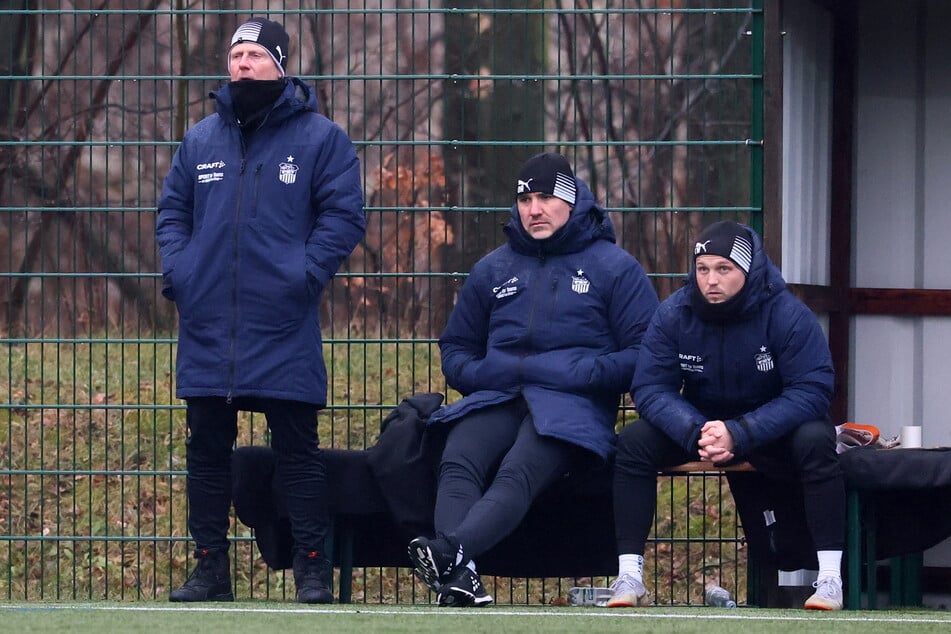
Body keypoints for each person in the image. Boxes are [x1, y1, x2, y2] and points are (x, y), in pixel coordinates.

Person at [155, 17, 365, 604]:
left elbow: (343, 216)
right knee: (206, 450)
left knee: (297, 450)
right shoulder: (199, 140)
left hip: (283, 320)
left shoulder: (323, 139)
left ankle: (313, 570)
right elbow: (172, 213)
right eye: (235, 54)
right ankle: (209, 570)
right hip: (208, 323)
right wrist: (182, 272)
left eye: (254, 54)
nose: (242, 64)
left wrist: (303, 274)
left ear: (280, 64)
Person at [407, 152, 660, 607]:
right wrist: (484, 374)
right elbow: (455, 348)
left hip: (572, 406)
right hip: (499, 397)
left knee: (517, 470)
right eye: (524, 199)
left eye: (545, 198)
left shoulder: (616, 268)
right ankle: (462, 576)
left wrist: (586, 373)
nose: (533, 209)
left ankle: (451, 554)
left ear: (572, 201)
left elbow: (647, 353)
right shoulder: (493, 268)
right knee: (458, 456)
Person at [607, 221, 846, 611]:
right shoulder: (674, 314)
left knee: (816, 439)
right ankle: (629, 576)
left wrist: (742, 432)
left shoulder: (786, 312)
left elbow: (812, 389)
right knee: (633, 443)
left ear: (747, 271)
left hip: (771, 428)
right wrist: (695, 430)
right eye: (703, 269)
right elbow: (651, 388)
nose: (710, 280)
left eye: (724, 269)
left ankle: (830, 579)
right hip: (702, 428)